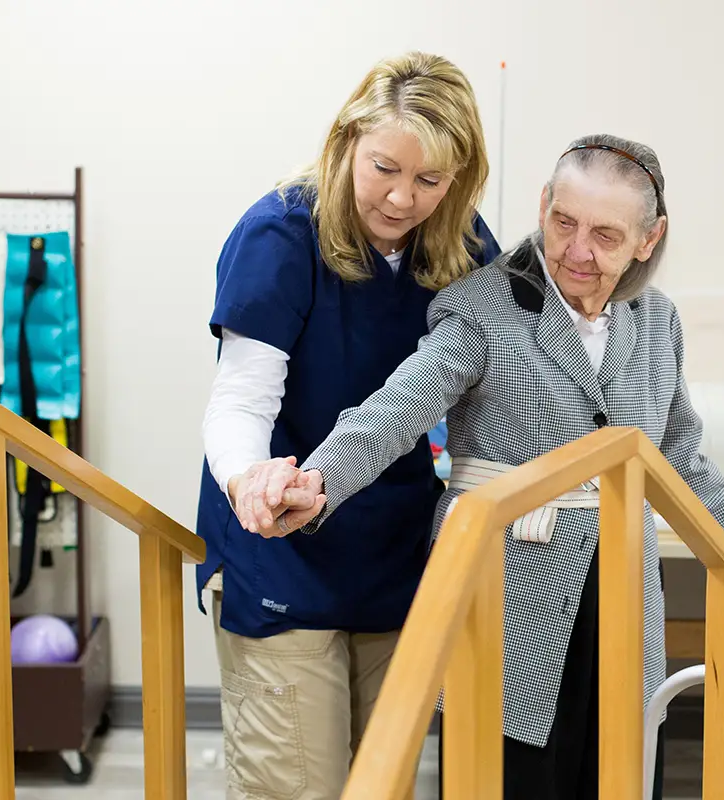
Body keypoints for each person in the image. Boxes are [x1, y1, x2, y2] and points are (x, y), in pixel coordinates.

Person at [235, 134, 724, 799]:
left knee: (617, 770)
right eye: (563, 223)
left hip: (621, 589)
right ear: (543, 206)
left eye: (605, 235)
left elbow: (681, 460)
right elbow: (395, 409)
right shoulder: (483, 309)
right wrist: (319, 481)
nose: (577, 251)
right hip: (507, 595)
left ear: (649, 239)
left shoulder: (654, 322)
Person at [196, 51, 501, 799]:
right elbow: (242, 400)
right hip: (279, 538)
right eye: (384, 168)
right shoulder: (281, 232)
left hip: (394, 547)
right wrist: (249, 478)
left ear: (459, 178)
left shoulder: (465, 244)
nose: (402, 198)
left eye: (430, 180)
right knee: (299, 786)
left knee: (381, 782)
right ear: (346, 143)